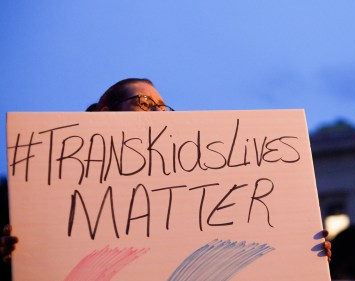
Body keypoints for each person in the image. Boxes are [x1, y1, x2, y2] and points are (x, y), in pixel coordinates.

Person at [1, 78, 331, 271]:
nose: (158, 112)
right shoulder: (56, 187)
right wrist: (17, 256)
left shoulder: (194, 184)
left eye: (163, 107)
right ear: (106, 114)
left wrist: (304, 255)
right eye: (144, 102)